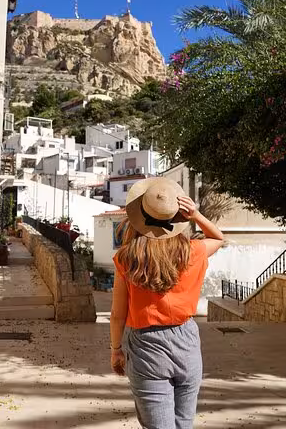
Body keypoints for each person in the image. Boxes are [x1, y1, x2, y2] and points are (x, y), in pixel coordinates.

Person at [109, 177, 226, 429]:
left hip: (145, 347)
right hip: (187, 341)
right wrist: (195, 215)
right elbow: (218, 238)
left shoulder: (127, 259)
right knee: (184, 424)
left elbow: (118, 314)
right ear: (176, 218)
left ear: (139, 216)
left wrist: (116, 349)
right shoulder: (192, 252)